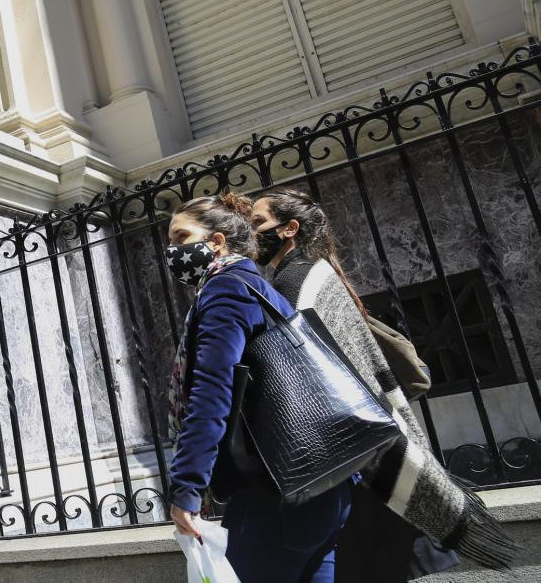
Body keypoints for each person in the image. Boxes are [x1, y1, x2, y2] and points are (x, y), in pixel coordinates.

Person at [251, 187, 514, 579]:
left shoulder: (295, 282)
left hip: (354, 454)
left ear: (289, 229)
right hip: (370, 443)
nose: (251, 231)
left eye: (258, 222)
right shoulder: (314, 272)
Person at [166, 193, 353, 583]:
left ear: (216, 241)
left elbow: (212, 389)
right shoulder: (258, 287)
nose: (173, 251)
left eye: (181, 237)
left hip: (275, 493)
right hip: (325, 483)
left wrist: (187, 486)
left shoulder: (225, 289)